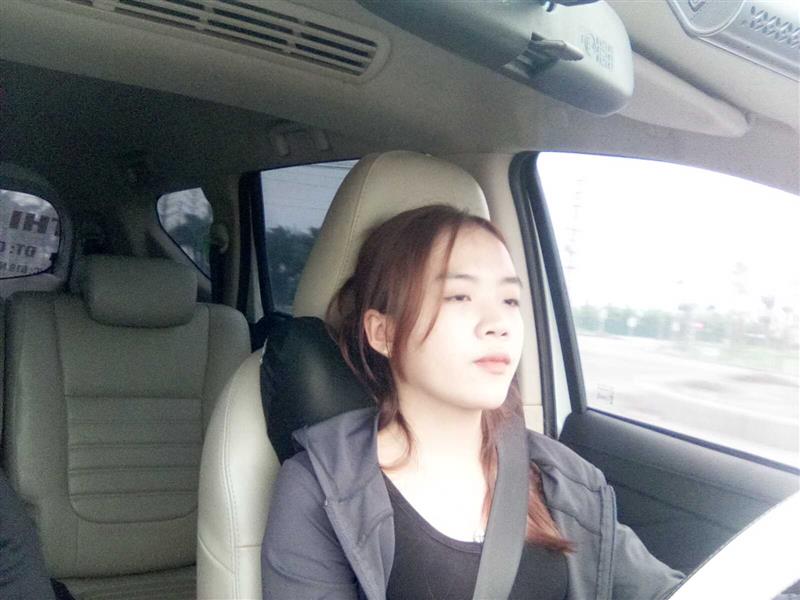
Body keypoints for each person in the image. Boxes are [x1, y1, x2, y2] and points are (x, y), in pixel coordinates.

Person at [261, 204, 684, 599]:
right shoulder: (323, 492)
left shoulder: (567, 481)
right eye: (459, 297)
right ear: (383, 333)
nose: (499, 324)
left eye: (510, 300)